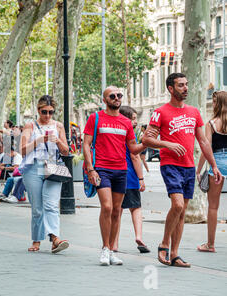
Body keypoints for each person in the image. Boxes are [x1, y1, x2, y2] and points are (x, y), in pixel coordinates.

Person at [142, 73, 222, 268]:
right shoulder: (160, 112)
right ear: (170, 88)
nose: (185, 88)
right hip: (170, 165)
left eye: (186, 84)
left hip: (188, 166)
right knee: (177, 205)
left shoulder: (194, 112)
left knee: (182, 211)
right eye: (180, 85)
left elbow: (203, 141)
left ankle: (175, 254)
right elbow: (146, 139)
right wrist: (167, 144)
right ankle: (164, 244)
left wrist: (213, 165)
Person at [82, 86, 146, 266]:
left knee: (117, 211)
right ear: (105, 99)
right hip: (102, 169)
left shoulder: (126, 122)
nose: (117, 98)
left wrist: (146, 143)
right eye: (112, 96)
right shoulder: (95, 118)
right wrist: (90, 168)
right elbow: (86, 144)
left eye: (119, 95)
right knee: (108, 207)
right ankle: (104, 248)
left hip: (121, 170)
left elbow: (133, 149)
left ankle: (111, 250)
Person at [19, 95, 70, 254]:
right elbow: (22, 150)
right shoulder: (30, 126)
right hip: (33, 168)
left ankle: (55, 239)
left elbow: (66, 151)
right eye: (44, 112)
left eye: (50, 112)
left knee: (52, 204)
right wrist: (40, 139)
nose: (47, 115)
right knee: (38, 208)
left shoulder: (59, 126)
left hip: (52, 167)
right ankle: (36, 240)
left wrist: (57, 141)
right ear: (38, 110)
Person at [114, 105, 149, 254]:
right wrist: (141, 178)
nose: (135, 122)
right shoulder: (130, 135)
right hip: (130, 176)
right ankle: (139, 236)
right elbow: (135, 156)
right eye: (133, 119)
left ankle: (114, 243)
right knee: (136, 208)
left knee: (117, 210)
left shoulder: (115, 133)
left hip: (115, 175)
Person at [195, 90, 227, 253]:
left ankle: (210, 244)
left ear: (218, 103)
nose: (212, 104)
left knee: (213, 207)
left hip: (217, 164)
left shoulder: (211, 124)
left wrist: (198, 170)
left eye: (214, 101)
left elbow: (205, 149)